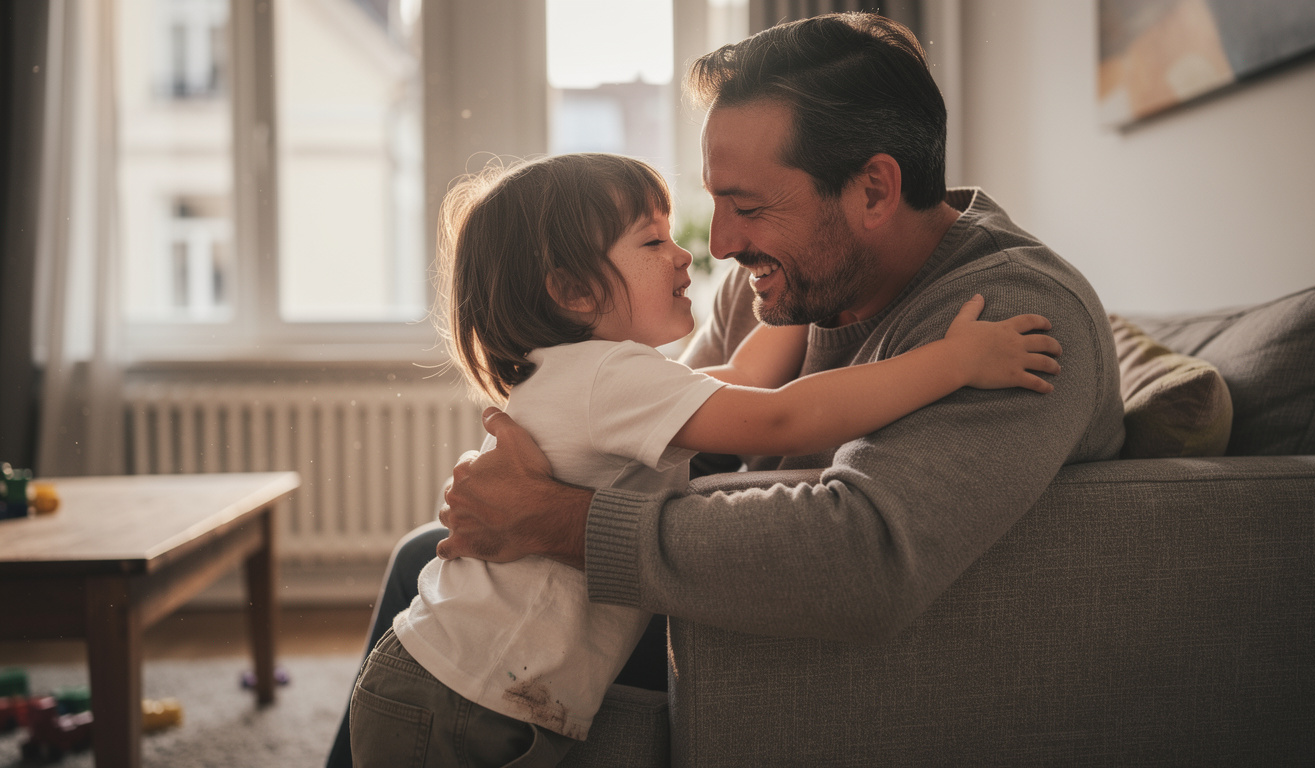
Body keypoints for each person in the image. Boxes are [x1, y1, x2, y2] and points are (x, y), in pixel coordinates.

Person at [327, 11, 1125, 766]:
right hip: (699, 588)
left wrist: (557, 518)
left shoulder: (1007, 317)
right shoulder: (786, 280)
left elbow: (864, 554)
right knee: (422, 562)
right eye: (712, 202)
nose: (720, 244)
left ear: (875, 191)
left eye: (746, 206)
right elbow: (699, 421)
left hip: (815, 635)